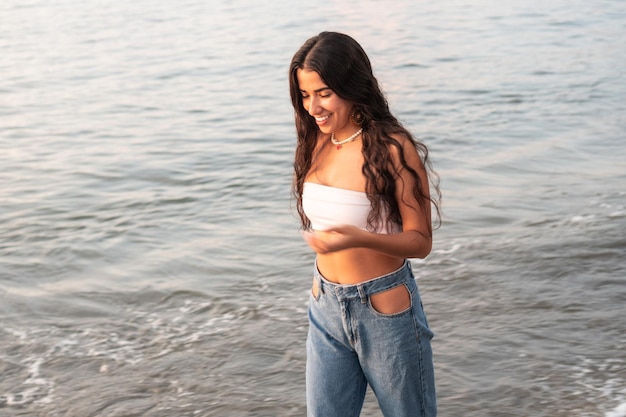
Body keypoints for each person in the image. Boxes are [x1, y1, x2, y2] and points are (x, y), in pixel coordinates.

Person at [288, 31, 442, 417]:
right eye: (305, 95)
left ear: (351, 86)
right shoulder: (315, 141)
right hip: (325, 306)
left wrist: (361, 238)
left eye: (323, 93)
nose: (313, 107)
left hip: (385, 310)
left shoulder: (393, 146)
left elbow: (420, 242)